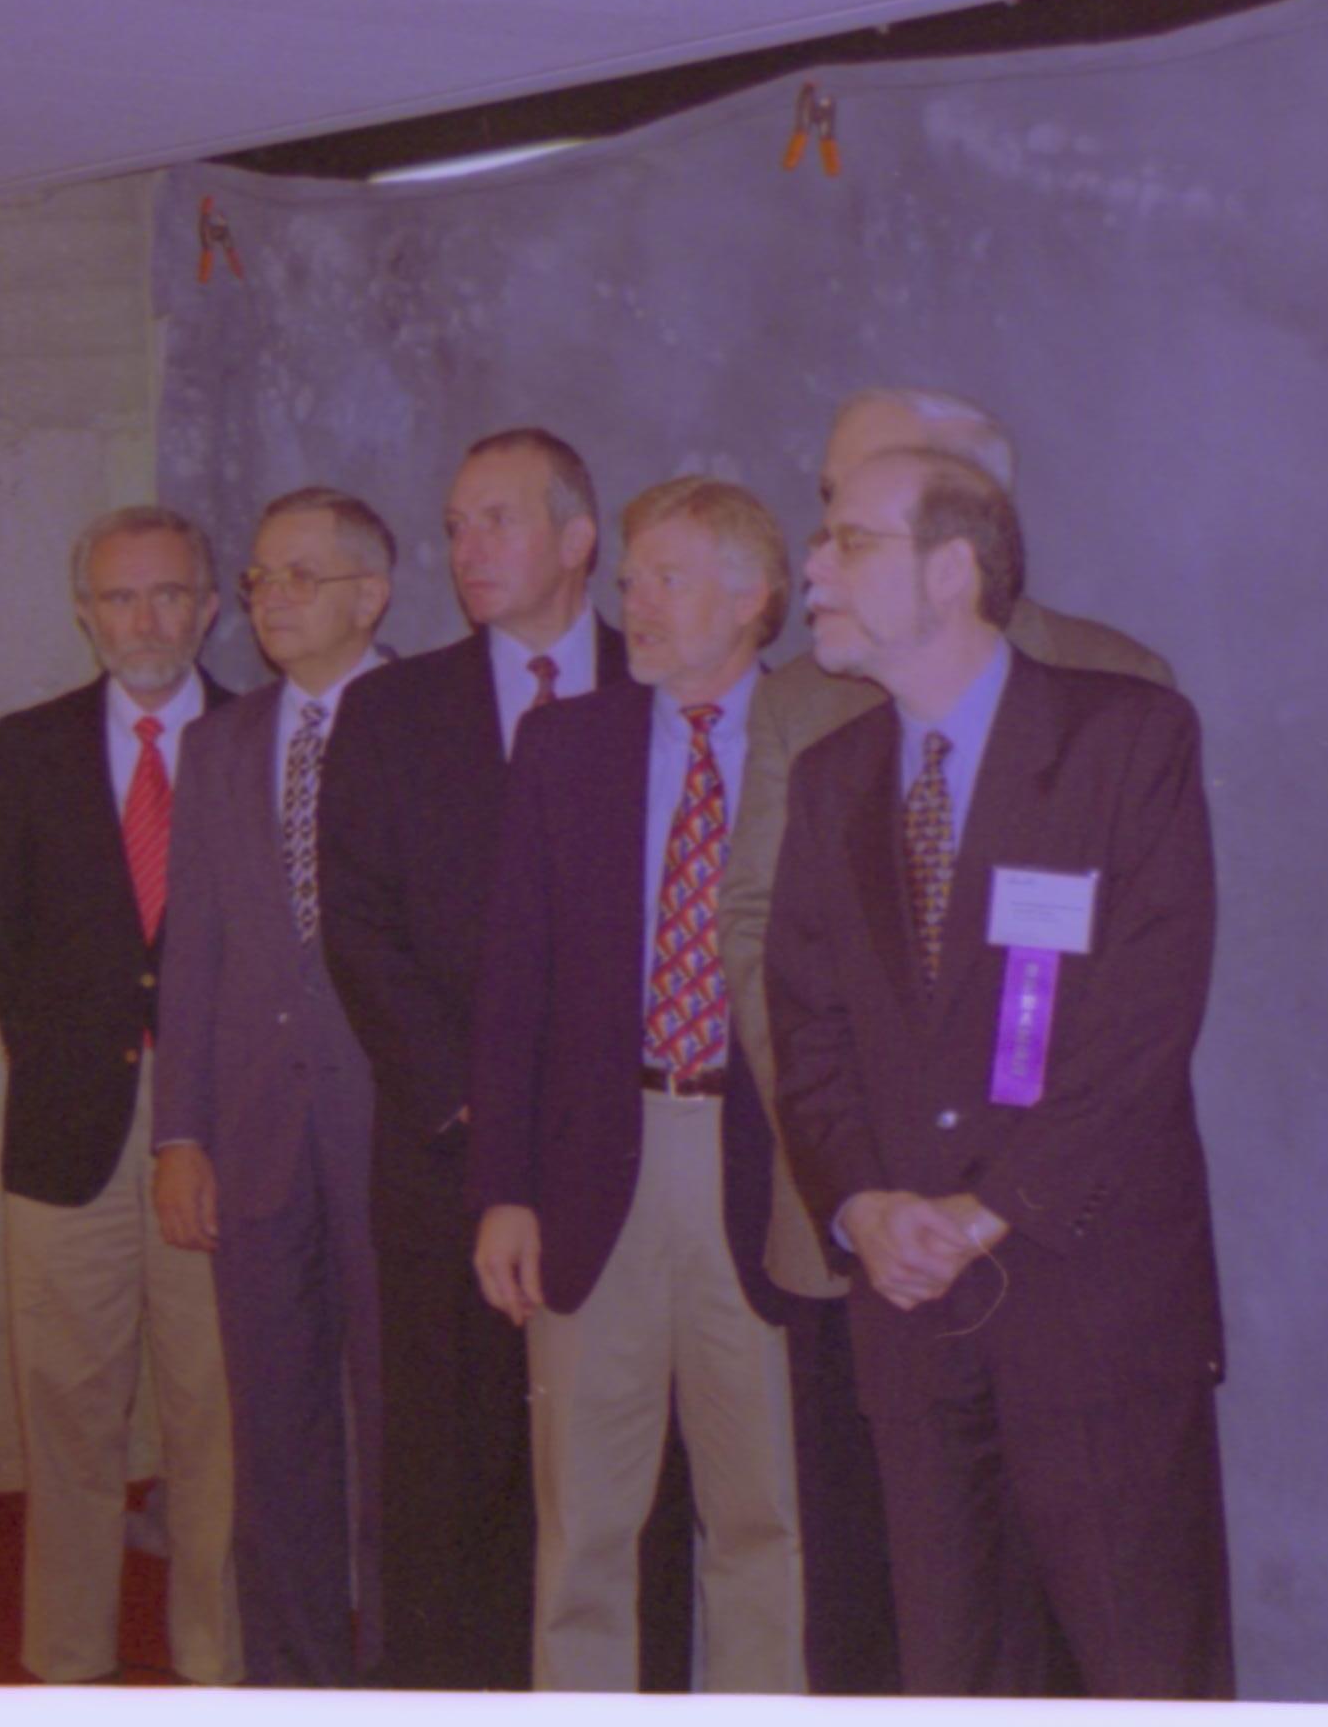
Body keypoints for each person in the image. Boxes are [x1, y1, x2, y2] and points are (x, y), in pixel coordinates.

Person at [712, 385, 1174, 1693]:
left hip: (1084, 1299)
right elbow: (805, 1025)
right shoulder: (833, 775)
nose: (809, 566)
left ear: (956, 569)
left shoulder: (1127, 736)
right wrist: (860, 1201)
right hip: (907, 1309)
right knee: (947, 1668)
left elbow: (1138, 1026)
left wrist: (983, 1214)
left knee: (1135, 1662)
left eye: (849, 541)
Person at [469, 477, 806, 1692]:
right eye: (630, 580)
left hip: (763, 1177)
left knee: (766, 1520)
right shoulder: (569, 744)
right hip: (591, 1171)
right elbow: (514, 985)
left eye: (667, 578)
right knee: (584, 1525)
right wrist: (505, 1188)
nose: (635, 603)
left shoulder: (827, 737)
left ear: (754, 595)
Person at [315, 428, 625, 1688]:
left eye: (495, 520)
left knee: (614, 1490)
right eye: (453, 525)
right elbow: (359, 930)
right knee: (449, 1483)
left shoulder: (662, 696)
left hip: (625, 1165)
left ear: (576, 537)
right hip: (444, 1159)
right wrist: (480, 1116)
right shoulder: (391, 710)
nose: (465, 548)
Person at [0, 505, 245, 1686]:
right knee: (70, 1422)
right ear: (86, 615)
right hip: (67, 1136)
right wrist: (88, 1061)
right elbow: (4, 943)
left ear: (211, 606)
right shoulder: (28, 746)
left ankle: (216, 1671)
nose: (146, 619)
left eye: (170, 594)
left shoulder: (260, 738)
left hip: (223, 1142)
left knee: (216, 1427)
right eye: (121, 598)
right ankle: (67, 1668)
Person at [152, 488, 397, 1687]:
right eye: (258, 579)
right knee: (277, 1436)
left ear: (372, 593)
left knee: (402, 1435)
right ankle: (294, 1683)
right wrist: (178, 1133)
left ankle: (409, 1678)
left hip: (400, 1139)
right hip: (252, 1139)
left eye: (302, 576)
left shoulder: (430, 723)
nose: (272, 600)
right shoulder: (223, 742)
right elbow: (189, 951)